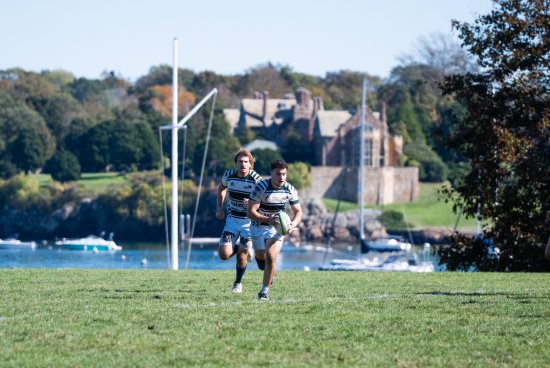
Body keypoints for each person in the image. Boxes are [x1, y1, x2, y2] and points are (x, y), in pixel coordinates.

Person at [247, 160, 303, 300]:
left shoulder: (289, 189)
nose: (282, 178)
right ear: (271, 173)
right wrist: (267, 219)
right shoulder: (261, 187)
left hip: (276, 228)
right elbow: (250, 212)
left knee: (271, 256)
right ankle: (268, 273)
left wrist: (292, 224)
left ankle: (264, 292)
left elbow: (298, 212)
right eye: (278, 174)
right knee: (261, 261)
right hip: (258, 227)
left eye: (284, 174)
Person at [216, 148, 262, 293]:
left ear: (251, 164)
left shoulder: (256, 179)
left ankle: (237, 283)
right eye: (240, 162)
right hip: (232, 220)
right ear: (236, 163)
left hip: (249, 223)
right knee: (224, 255)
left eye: (246, 162)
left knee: (242, 257)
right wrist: (219, 208)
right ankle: (242, 247)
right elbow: (221, 189)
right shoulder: (228, 176)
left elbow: (264, 199)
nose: (243, 164)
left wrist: (252, 203)